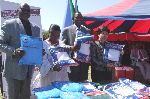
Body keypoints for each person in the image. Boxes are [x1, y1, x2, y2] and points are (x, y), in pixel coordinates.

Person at [0, 3, 40, 99]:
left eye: (28, 10)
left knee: (26, 97)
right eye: (23, 10)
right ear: (18, 10)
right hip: (14, 71)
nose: (26, 12)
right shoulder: (9, 24)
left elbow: (35, 46)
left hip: (28, 71)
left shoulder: (36, 28)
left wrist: (39, 51)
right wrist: (14, 51)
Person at [61, 12, 91, 82]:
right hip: (73, 62)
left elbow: (89, 45)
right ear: (73, 19)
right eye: (77, 17)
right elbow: (62, 45)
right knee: (73, 82)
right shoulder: (67, 30)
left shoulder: (87, 30)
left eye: (81, 18)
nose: (79, 19)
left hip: (84, 63)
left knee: (83, 82)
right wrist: (72, 48)